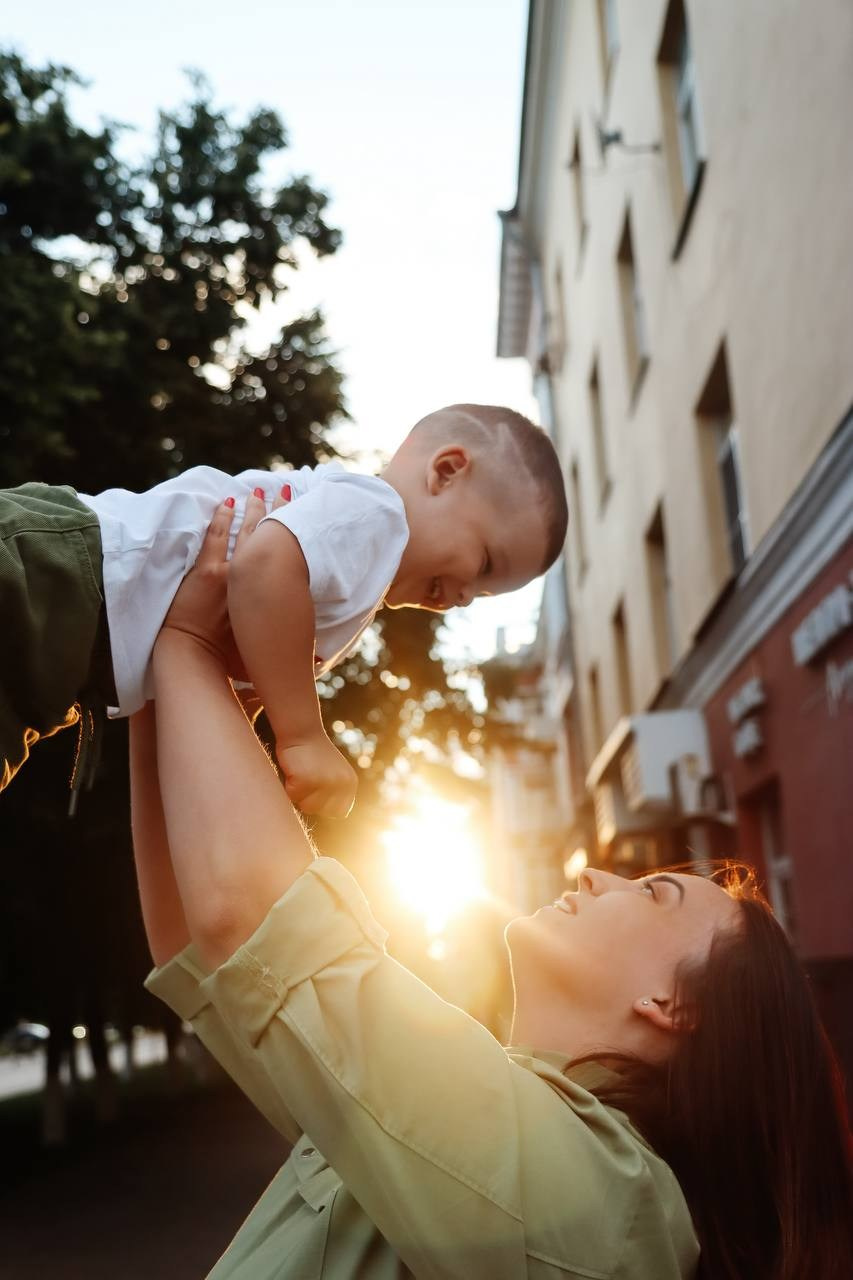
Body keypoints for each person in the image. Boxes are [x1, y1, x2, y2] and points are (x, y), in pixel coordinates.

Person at [132, 503, 852, 1279]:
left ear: (671, 1005)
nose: (594, 873)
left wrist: (182, 644)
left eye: (654, 895)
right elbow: (209, 956)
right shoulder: (496, 1105)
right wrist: (167, 681)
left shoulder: (605, 1198)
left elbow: (249, 922)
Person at [0, 402, 566, 811]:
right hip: (61, 579)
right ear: (445, 471)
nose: (465, 595)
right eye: (486, 564)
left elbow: (241, 644)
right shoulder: (379, 514)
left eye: (483, 597)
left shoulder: (348, 565)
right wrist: (302, 736)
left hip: (70, 632)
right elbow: (266, 566)